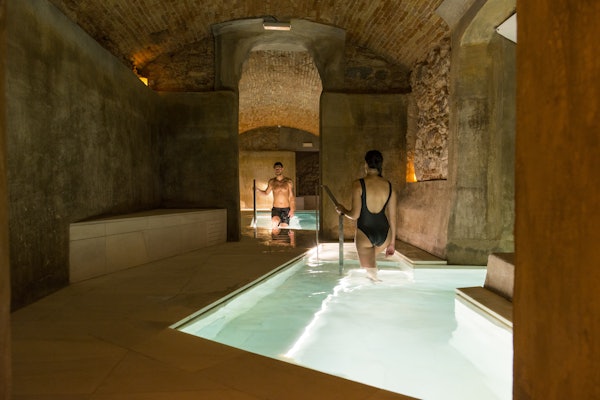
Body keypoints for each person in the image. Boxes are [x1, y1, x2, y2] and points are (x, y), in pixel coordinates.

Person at [335, 150, 397, 282]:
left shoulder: (358, 184)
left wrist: (342, 210)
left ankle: (376, 285)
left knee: (370, 274)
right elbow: (393, 218)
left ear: (366, 164)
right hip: (385, 234)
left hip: (365, 232)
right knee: (371, 268)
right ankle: (377, 281)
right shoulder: (390, 186)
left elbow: (355, 215)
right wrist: (392, 243)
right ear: (380, 165)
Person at [258, 161, 296, 229]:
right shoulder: (272, 182)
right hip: (276, 209)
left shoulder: (288, 181)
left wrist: (292, 209)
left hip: (286, 209)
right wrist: (257, 190)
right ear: (274, 169)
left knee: (284, 228)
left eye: (279, 168)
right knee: (275, 223)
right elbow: (266, 193)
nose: (277, 170)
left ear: (282, 169)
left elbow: (291, 196)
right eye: (276, 169)